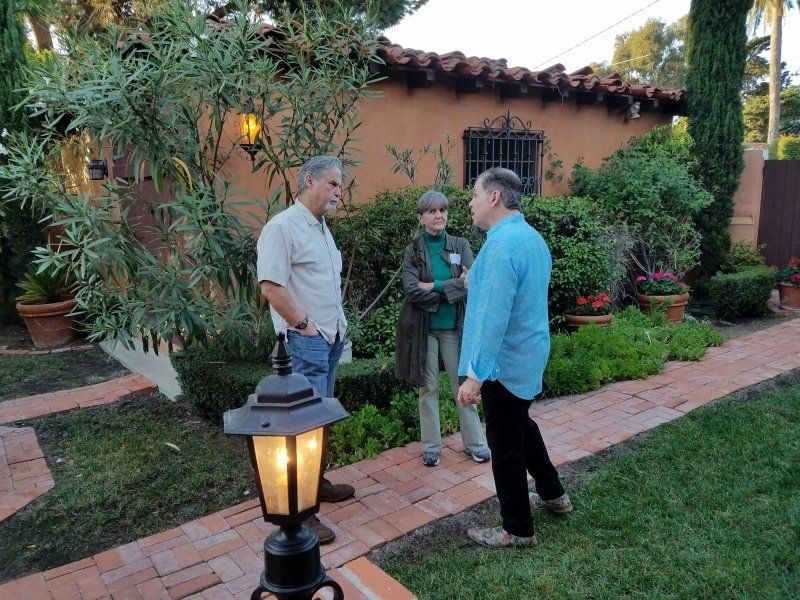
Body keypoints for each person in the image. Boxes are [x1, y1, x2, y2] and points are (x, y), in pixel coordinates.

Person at [457, 167, 572, 548]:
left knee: (504, 444)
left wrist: (476, 375)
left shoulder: (501, 245)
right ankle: (554, 493)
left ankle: (517, 529)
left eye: (475, 195)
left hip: (504, 363)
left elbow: (493, 318)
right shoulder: (529, 237)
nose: (470, 203)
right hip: (529, 353)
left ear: (494, 198)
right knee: (521, 425)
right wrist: (478, 276)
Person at [256, 155, 354, 545]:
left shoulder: (321, 228)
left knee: (320, 421)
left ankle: (317, 483)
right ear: (309, 180)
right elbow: (271, 287)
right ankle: (302, 512)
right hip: (305, 342)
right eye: (333, 184)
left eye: (341, 185)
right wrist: (304, 326)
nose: (339, 192)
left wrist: (333, 330)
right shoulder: (282, 228)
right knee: (300, 429)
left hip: (328, 341)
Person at [395, 190, 490, 468]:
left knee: (462, 385)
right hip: (424, 329)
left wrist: (435, 286)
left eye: (442, 210)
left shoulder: (460, 245)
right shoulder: (413, 250)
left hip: (452, 328)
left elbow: (472, 281)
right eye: (432, 211)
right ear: (421, 217)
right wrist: (452, 287)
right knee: (428, 388)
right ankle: (431, 448)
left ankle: (475, 444)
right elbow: (412, 291)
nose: (439, 216)